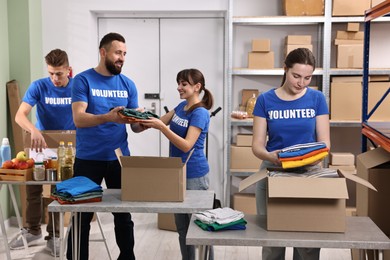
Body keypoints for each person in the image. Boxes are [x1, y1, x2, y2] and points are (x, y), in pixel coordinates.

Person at [67, 32, 145, 260]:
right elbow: (79, 119)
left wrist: (144, 123)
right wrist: (108, 117)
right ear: (103, 52)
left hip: (119, 160)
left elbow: (133, 127)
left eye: (125, 54)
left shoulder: (127, 84)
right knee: (80, 216)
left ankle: (127, 257)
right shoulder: (83, 80)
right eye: (118, 53)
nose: (122, 58)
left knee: (123, 216)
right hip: (88, 159)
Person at [251, 48, 330, 260]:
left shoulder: (317, 99)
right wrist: (272, 157)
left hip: (309, 173)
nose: (301, 83)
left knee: (308, 243)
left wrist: (305, 157)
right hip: (273, 172)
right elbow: (257, 146)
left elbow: (325, 143)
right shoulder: (265, 100)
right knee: (272, 241)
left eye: (307, 78)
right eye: (296, 76)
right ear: (285, 69)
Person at [140, 68, 214, 260]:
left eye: (184, 84)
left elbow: (187, 145)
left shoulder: (200, 113)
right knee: (182, 228)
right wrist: (139, 115)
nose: (179, 87)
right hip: (177, 174)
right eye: (179, 83)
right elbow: (156, 121)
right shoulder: (181, 107)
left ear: (197, 87)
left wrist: (162, 128)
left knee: (200, 229)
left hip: (195, 176)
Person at [12, 49, 75, 256]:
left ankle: (55, 236)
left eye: (59, 74)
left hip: (67, 147)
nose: (55, 79)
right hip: (41, 146)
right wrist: (33, 130)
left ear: (69, 70)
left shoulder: (77, 87)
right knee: (33, 188)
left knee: (58, 191)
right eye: (51, 73)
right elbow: (20, 115)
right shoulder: (39, 86)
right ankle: (32, 230)